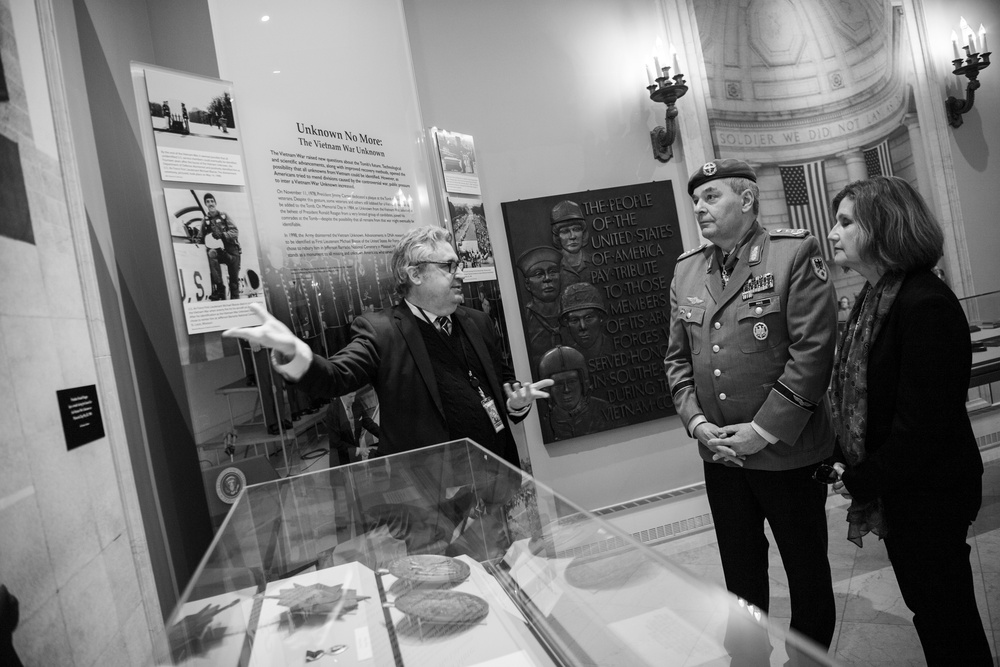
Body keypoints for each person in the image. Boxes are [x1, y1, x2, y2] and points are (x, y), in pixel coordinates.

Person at [663, 158, 838, 664]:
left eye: (711, 196)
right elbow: (677, 359)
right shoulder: (687, 268)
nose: (700, 207)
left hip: (787, 453)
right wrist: (698, 425)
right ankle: (747, 658)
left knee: (806, 573)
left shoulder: (793, 253)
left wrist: (762, 431)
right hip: (722, 457)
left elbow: (813, 352)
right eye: (696, 199)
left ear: (747, 199)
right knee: (740, 575)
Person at [826, 176, 991, 666]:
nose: (832, 232)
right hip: (904, 489)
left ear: (883, 228)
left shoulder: (924, 303)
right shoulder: (875, 297)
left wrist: (860, 477)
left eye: (846, 222)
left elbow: (923, 425)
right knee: (929, 611)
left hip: (932, 491)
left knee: (947, 615)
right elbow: (861, 400)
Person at [223, 226, 551, 468]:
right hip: (431, 494)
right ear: (415, 274)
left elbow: (506, 390)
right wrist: (297, 354)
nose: (460, 273)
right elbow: (336, 376)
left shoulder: (477, 322)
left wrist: (517, 404)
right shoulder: (381, 331)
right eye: (449, 266)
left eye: (458, 264)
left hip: (498, 472)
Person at [538, 346, 610, 440]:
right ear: (548, 389)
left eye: (572, 381)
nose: (566, 390)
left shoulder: (605, 410)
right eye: (558, 384)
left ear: (582, 383)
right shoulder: (544, 423)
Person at [516, 246, 564, 369]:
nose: (547, 278)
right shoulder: (524, 318)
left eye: (553, 272)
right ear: (527, 284)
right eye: (539, 274)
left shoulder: (571, 312)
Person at [199, 193, 241, 300]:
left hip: (232, 252)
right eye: (208, 202)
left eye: (212, 201)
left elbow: (235, 231)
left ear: (215, 203)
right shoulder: (206, 221)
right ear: (205, 204)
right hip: (221, 252)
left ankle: (235, 302)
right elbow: (200, 237)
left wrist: (223, 235)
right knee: (212, 253)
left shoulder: (224, 216)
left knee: (234, 284)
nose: (210, 203)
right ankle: (220, 289)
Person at [559, 283, 613, 361]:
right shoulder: (567, 359)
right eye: (574, 320)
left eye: (588, 318)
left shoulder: (618, 347)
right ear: (566, 323)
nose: (583, 326)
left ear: (601, 318)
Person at [550, 200, 594, 288]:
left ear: (583, 232)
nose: (572, 236)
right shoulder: (552, 268)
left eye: (576, 229)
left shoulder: (596, 262)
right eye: (565, 231)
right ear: (557, 236)